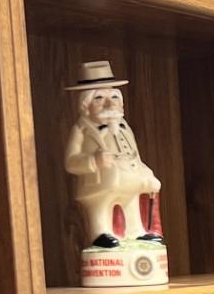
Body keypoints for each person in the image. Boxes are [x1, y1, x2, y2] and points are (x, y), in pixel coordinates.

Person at [63, 61, 163, 247]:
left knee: (131, 203)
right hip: (99, 184)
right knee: (100, 208)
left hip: (129, 179)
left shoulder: (125, 128)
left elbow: (135, 157)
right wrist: (93, 161)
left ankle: (136, 231)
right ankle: (101, 234)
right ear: (85, 106)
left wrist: (148, 176)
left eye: (114, 97)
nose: (109, 103)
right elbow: (70, 162)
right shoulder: (81, 131)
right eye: (99, 98)